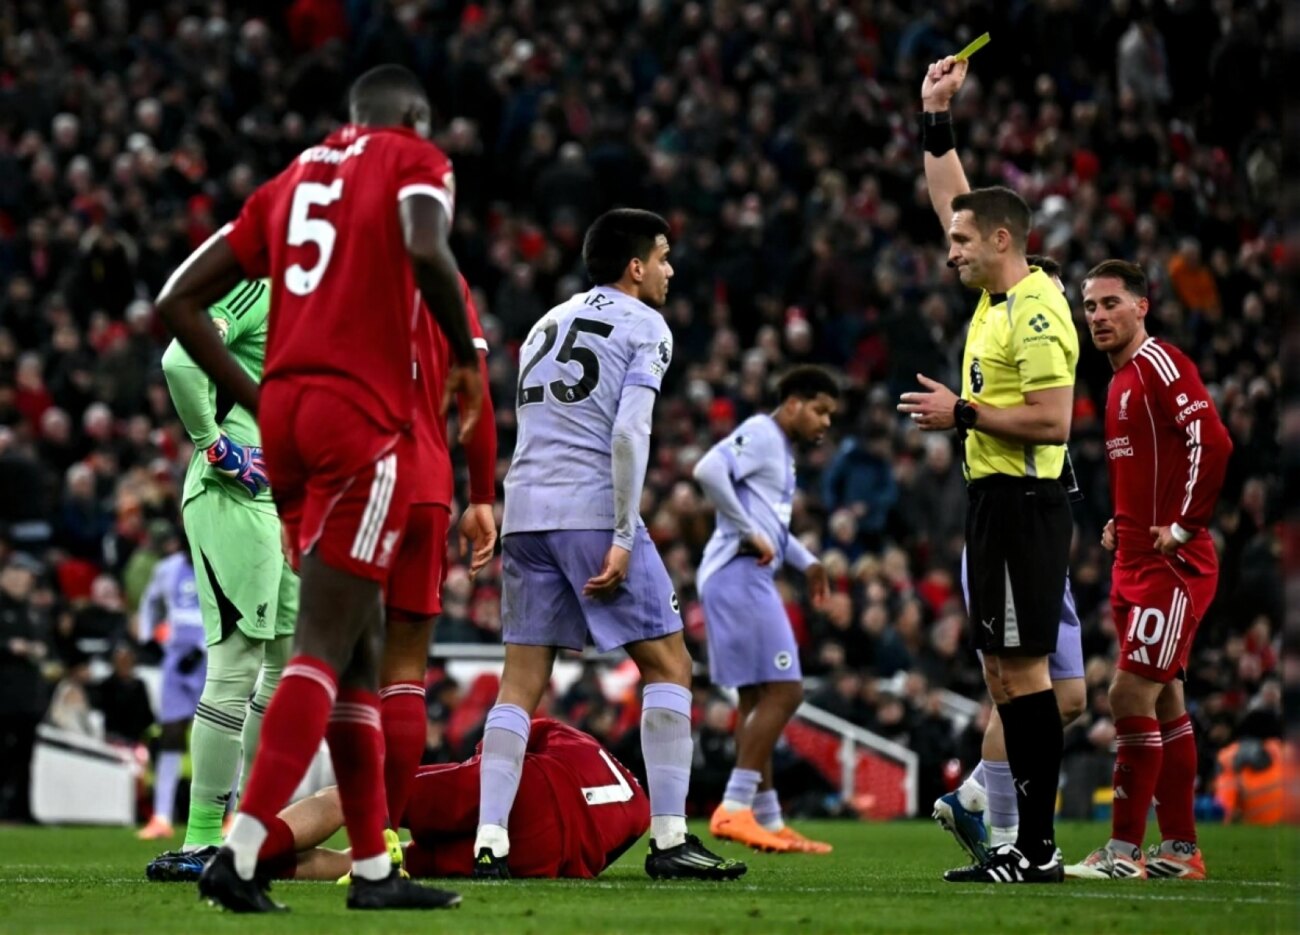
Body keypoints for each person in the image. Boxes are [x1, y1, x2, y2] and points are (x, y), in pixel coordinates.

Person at [156, 63, 482, 912]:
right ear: (414, 117)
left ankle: (372, 869)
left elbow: (175, 301)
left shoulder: (290, 180)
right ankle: (236, 852)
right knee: (323, 648)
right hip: (358, 424)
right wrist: (465, 357)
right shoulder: (412, 159)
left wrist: (258, 398)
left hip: (288, 426)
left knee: (358, 655)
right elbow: (425, 244)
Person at [472, 208, 745, 882]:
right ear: (636, 266)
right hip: (590, 508)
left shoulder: (546, 323)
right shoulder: (645, 324)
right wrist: (623, 533)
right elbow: (628, 432)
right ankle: (671, 838)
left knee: (520, 681)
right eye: (663, 256)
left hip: (524, 510)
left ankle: (489, 839)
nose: (670, 270)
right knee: (670, 665)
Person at [898, 55, 1077, 884]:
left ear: (1002, 241)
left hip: (1024, 500)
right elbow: (952, 198)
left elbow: (1054, 419)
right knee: (1004, 673)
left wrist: (961, 413)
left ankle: (1037, 846)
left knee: (1027, 672)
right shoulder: (995, 296)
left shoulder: (1036, 309)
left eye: (963, 242)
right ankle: (1020, 840)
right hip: (993, 500)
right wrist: (935, 116)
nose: (950, 250)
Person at [1065, 259, 1231, 881]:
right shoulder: (1117, 382)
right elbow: (1150, 467)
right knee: (1164, 702)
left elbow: (1212, 441)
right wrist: (1123, 521)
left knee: (1127, 692)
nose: (1098, 316)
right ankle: (1181, 851)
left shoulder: (1161, 364)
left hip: (1172, 566)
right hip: (1133, 560)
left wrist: (1183, 525)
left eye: (1111, 303)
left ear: (1142, 306)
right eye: (1090, 307)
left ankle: (1122, 852)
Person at [933, 257, 1086, 863]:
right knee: (1017, 683)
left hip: (1038, 537)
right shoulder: (1008, 322)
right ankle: (1011, 839)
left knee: (1065, 695)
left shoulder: (1048, 350)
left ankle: (981, 802)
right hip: (1011, 526)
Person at [145, 280, 297, 871]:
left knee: (287, 664)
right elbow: (180, 359)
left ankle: (251, 829)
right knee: (238, 663)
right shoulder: (261, 286)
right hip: (238, 492)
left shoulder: (323, 298)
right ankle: (202, 839)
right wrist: (216, 446)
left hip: (289, 499)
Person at [693, 365, 839, 854]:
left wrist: (807, 561)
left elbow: (770, 529)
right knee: (787, 691)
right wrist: (744, 529)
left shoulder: (780, 451)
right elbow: (708, 470)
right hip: (738, 575)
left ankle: (768, 819)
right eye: (820, 410)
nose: (825, 422)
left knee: (756, 701)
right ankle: (734, 807)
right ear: (793, 404)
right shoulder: (760, 431)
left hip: (739, 575)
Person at [379, 273, 496, 849]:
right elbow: (476, 390)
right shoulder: (448, 279)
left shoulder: (337, 256)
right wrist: (481, 496)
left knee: (325, 661)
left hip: (352, 479)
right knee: (404, 672)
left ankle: (251, 827)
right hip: (426, 487)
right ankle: (383, 841)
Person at [251, 719, 648, 882]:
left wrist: (471, 766)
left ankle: (244, 852)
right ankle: (265, 869)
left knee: (352, 797)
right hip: (543, 856)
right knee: (391, 860)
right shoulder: (641, 810)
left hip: (527, 788)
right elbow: (601, 859)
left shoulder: (580, 741)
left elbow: (506, 739)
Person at [134, 532, 206, 840]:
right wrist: (148, 638)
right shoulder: (167, 569)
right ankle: (161, 816)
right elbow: (149, 602)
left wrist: (202, 647)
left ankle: (230, 812)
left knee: (223, 731)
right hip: (176, 661)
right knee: (171, 732)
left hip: (213, 661)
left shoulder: (221, 563)